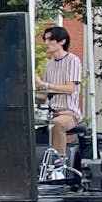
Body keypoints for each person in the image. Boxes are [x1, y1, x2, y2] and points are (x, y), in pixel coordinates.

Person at [36, 25, 83, 156]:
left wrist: (43, 84)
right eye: (45, 39)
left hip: (69, 113)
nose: (46, 43)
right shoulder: (48, 64)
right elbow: (45, 94)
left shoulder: (73, 60)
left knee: (58, 124)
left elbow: (70, 88)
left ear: (62, 41)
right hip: (50, 113)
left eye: (50, 39)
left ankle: (59, 164)